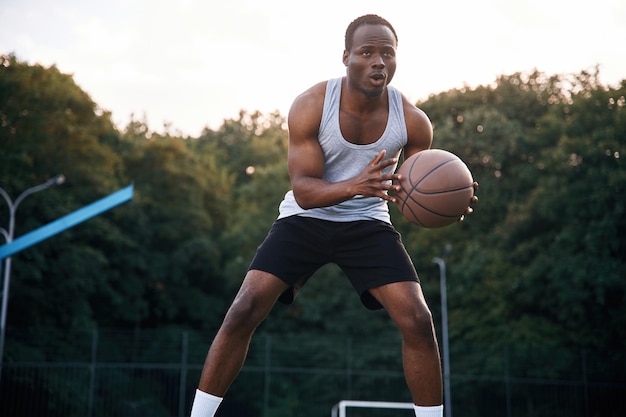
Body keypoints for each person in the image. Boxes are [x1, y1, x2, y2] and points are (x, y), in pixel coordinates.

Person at [190, 14, 477, 417]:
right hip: (305, 220)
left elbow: (413, 196)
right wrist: (355, 185)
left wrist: (450, 203)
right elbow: (304, 192)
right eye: (367, 52)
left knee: (417, 318)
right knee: (245, 307)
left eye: (387, 54)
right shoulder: (311, 106)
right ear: (346, 57)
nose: (378, 62)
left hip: (368, 224)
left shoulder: (413, 121)